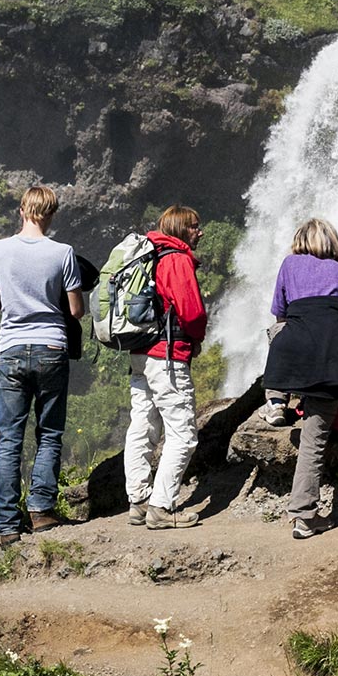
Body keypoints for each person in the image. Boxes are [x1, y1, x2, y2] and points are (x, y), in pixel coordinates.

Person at [0, 184, 87, 549]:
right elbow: (75, 310)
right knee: (49, 432)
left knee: (10, 438)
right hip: (52, 347)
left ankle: (7, 524)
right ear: (51, 213)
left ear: (22, 209)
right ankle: (41, 511)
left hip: (11, 349)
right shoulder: (63, 253)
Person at [261, 218, 338, 539]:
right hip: (329, 361)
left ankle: (277, 401)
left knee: (280, 330)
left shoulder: (289, 265)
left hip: (290, 358)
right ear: (333, 243)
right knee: (314, 441)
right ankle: (304, 517)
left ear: (300, 241)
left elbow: (279, 316)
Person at [124, 205, 207, 529]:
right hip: (166, 356)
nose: (199, 233)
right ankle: (161, 507)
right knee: (183, 433)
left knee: (142, 426)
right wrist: (196, 338)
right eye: (195, 227)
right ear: (180, 229)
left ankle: (139, 500)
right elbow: (192, 312)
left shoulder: (148, 255)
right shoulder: (176, 258)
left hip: (140, 353)